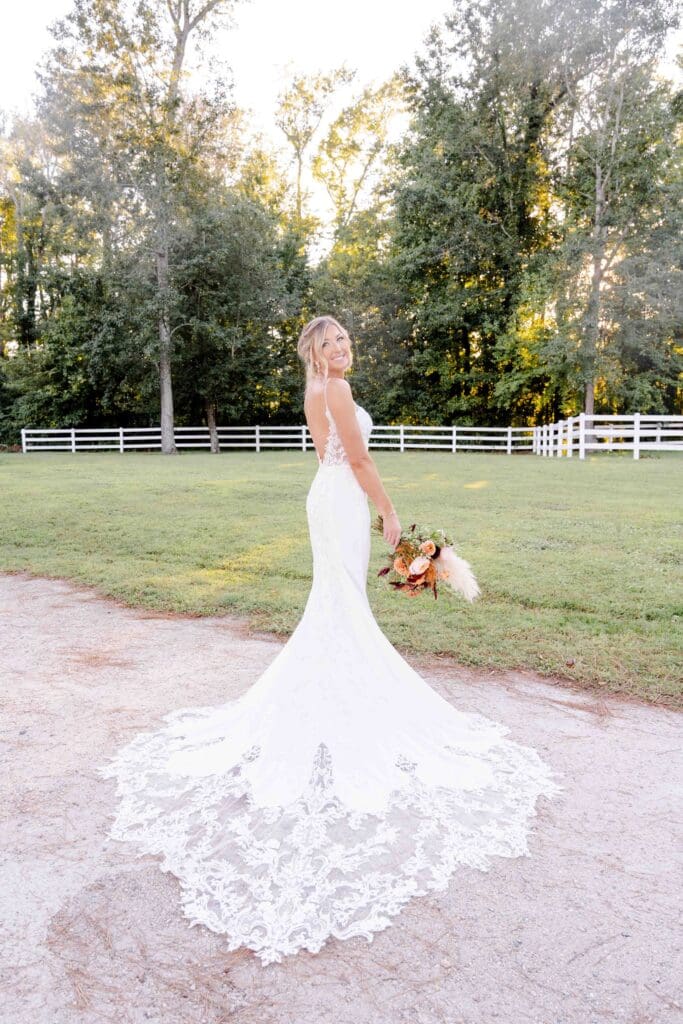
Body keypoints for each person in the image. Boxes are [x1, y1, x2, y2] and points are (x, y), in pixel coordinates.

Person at [99, 314, 563, 966]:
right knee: (341, 606)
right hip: (342, 499)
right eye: (332, 342)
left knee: (338, 605)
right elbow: (360, 458)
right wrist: (392, 512)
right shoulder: (334, 392)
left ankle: (336, 691)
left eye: (345, 339)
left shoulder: (316, 391)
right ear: (315, 353)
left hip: (325, 496)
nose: (343, 348)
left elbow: (332, 455)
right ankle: (337, 697)